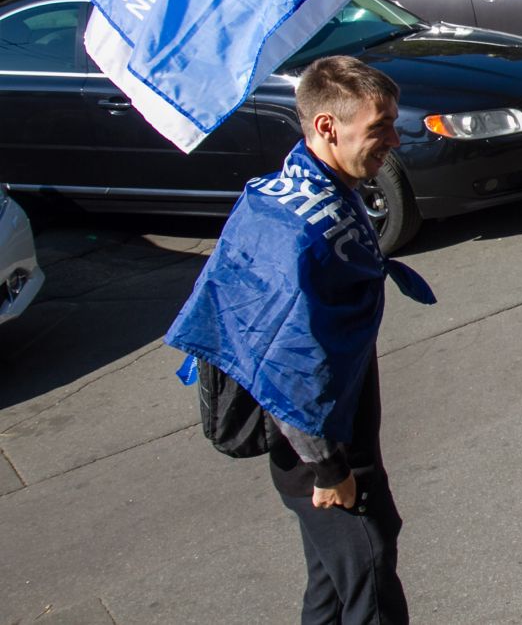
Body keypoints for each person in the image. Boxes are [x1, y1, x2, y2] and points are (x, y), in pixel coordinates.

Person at [166, 56, 436, 625]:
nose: (394, 139)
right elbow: (287, 369)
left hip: (328, 446)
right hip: (323, 457)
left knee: (331, 586)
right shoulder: (295, 234)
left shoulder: (302, 186)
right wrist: (329, 471)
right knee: (369, 585)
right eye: (380, 127)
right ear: (327, 127)